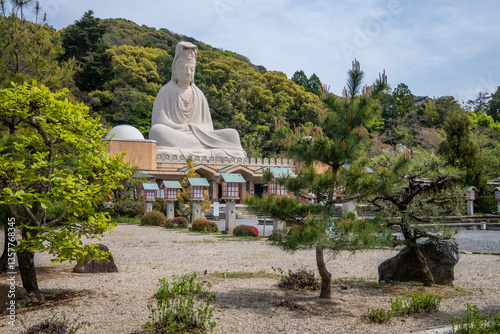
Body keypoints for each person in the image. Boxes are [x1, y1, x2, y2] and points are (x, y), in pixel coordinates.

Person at [149, 42, 247, 158]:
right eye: (184, 68)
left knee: (233, 134)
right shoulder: (165, 91)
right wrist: (185, 129)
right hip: (178, 135)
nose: (188, 72)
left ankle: (193, 152)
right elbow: (159, 122)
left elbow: (208, 128)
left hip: (201, 138)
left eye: (191, 69)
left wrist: (194, 129)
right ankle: (211, 154)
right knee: (157, 131)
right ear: (175, 69)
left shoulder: (199, 94)